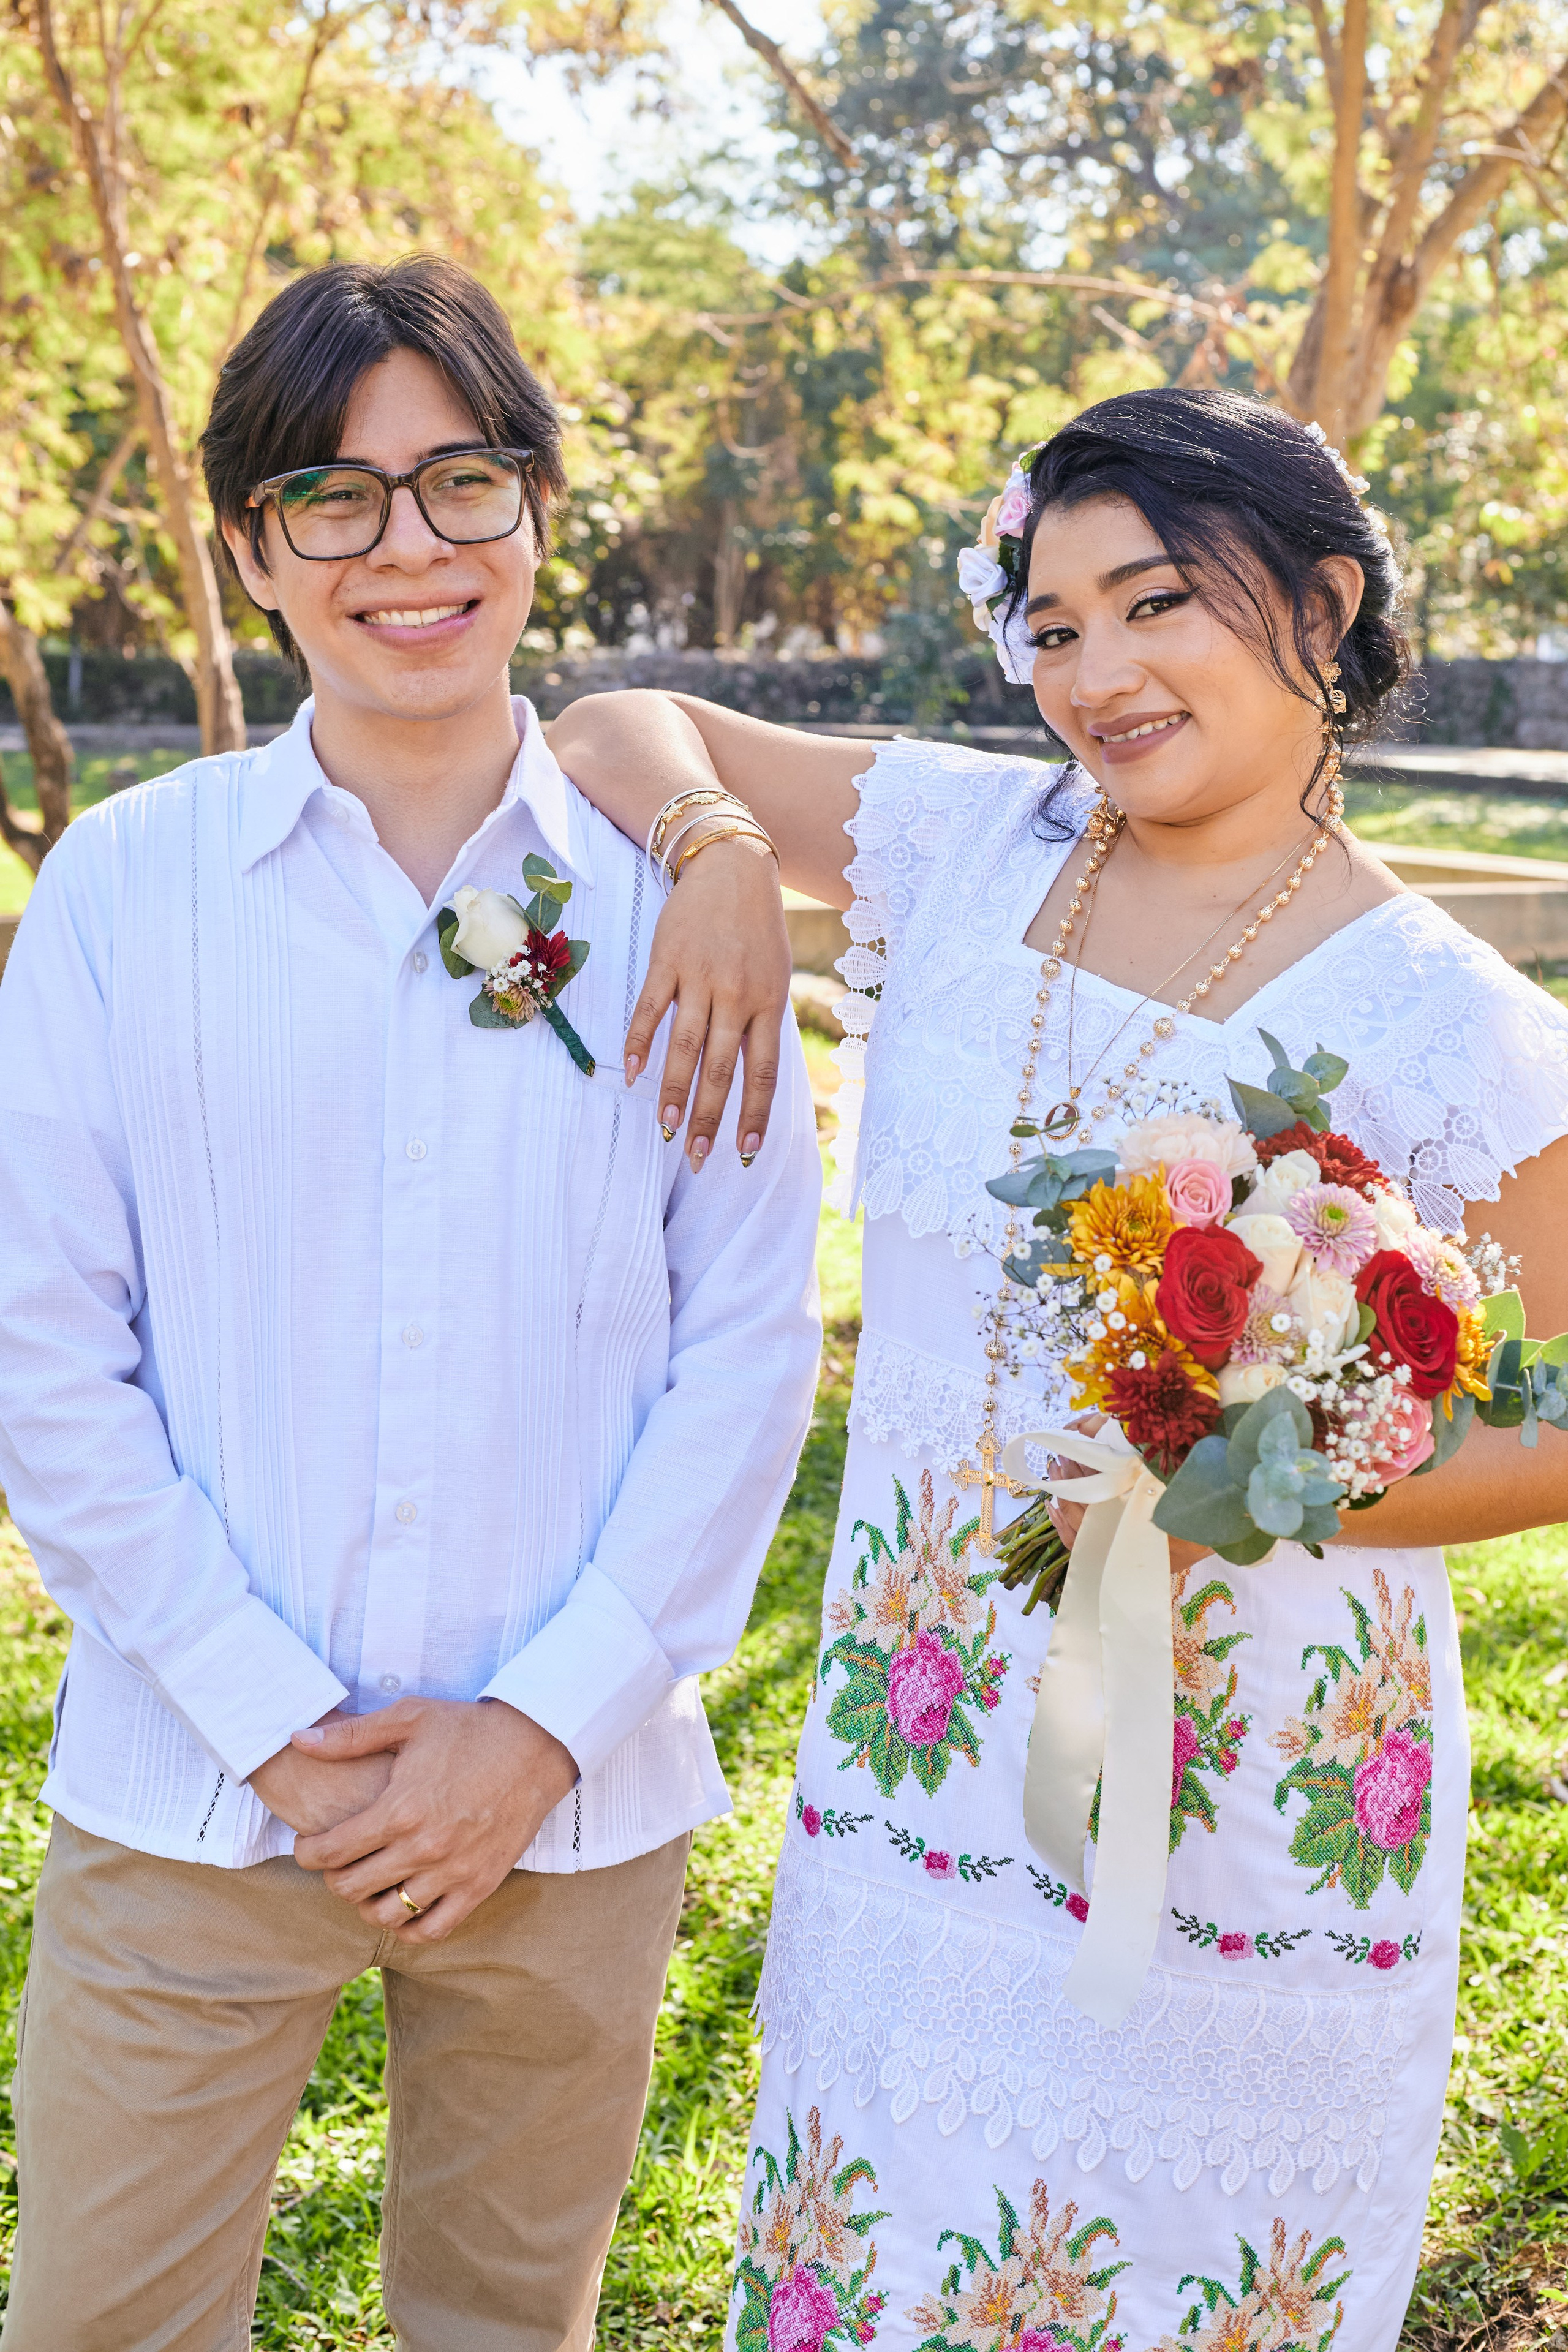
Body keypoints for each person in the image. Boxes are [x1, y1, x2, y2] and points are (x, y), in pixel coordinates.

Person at [549, 388, 1568, 2352]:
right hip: (918, 1731)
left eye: (1157, 604)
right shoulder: (959, 835)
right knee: (884, 2242)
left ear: (1327, 603)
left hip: (1255, 1780)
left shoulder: (1464, 1025)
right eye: (1051, 621)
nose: (1094, 672)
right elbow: (611, 728)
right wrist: (723, 857)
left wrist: (1275, 1462)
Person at [0, 254, 822, 2352]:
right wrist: (281, 1730)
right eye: (334, 498)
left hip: (575, 1810)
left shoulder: (669, 907)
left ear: (540, 507)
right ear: (253, 547)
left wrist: (540, 1731)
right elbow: (40, 1346)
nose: (410, 549)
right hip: (193, 1792)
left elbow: (745, 1344)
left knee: (499, 2326)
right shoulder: (124, 888)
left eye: (462, 481)